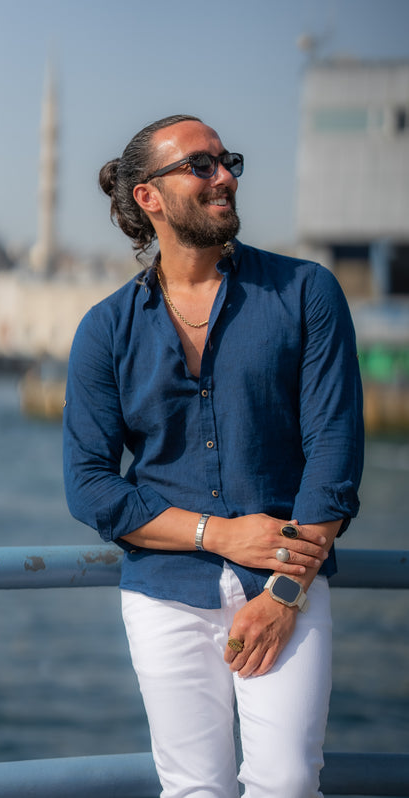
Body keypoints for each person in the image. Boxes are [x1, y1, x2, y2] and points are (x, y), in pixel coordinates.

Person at [63, 114, 364, 798]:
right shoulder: (106, 330)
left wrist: (284, 594)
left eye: (227, 161)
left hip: (284, 582)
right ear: (147, 196)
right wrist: (218, 534)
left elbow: (334, 455)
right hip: (165, 593)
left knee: (287, 782)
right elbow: (90, 486)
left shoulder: (304, 292)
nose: (223, 176)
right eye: (199, 166)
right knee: (194, 789)